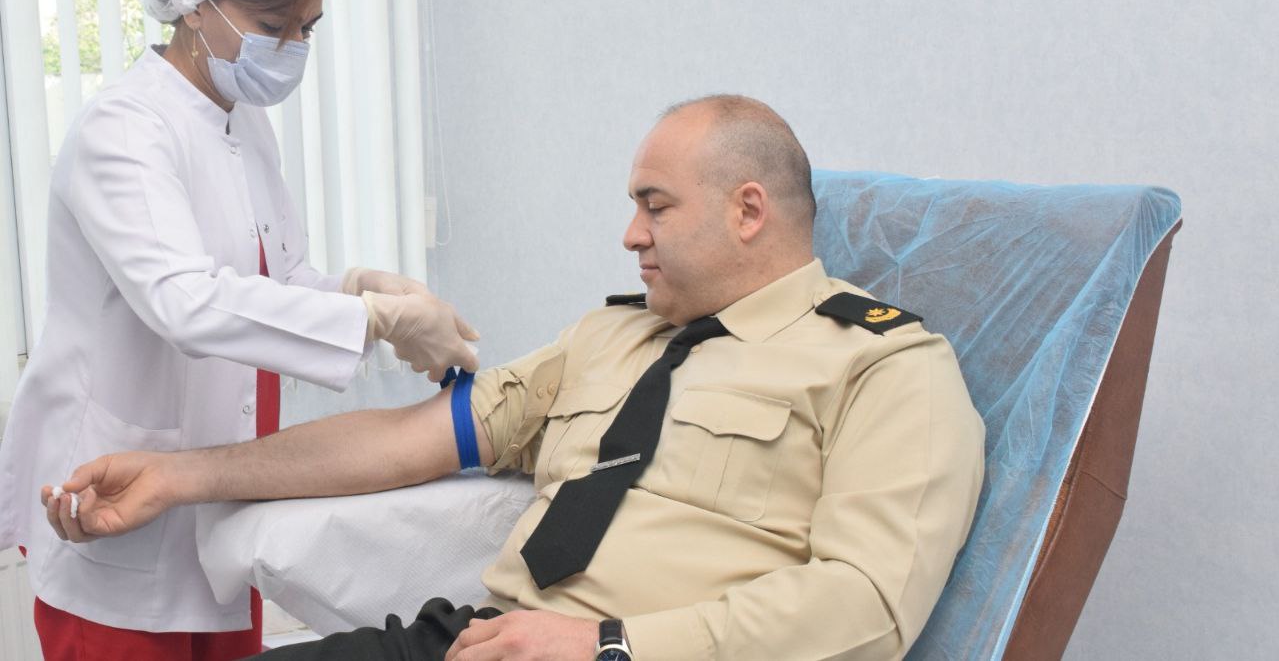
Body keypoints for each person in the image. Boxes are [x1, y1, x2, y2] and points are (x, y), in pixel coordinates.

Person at [44, 95, 986, 661]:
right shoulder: (611, 338)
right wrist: (181, 476)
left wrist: (608, 646)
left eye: (655, 206)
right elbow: (408, 441)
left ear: (748, 211)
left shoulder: (883, 367)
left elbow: (867, 607)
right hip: (478, 638)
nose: (630, 234)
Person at [0, 0, 481, 661]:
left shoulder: (242, 120)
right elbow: (185, 302)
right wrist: (371, 320)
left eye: (306, 30)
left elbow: (275, 277)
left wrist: (356, 291)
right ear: (196, 4)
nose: (292, 47)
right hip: (112, 496)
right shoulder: (123, 129)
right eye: (273, 26)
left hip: (219, 493)